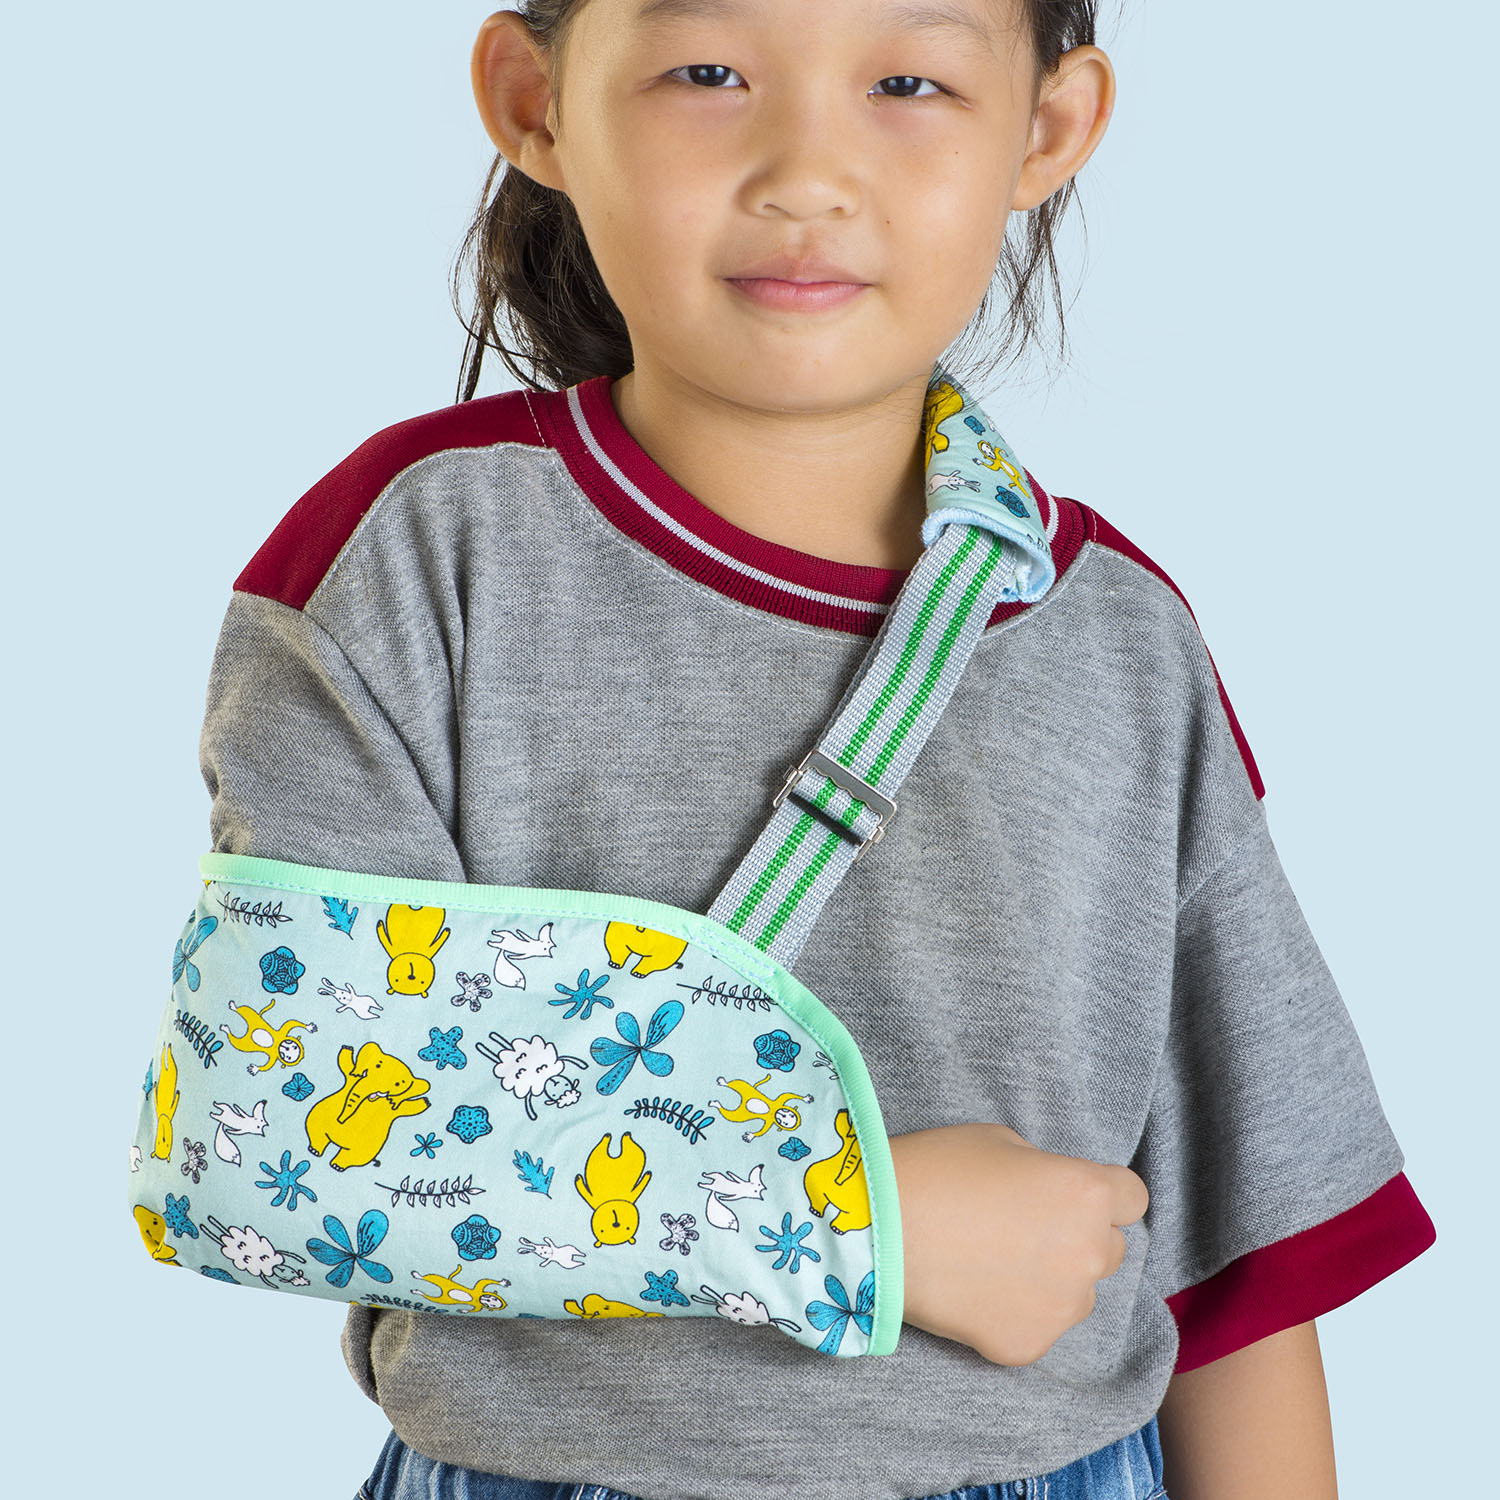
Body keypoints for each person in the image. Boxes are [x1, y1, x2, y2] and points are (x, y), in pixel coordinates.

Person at [184, 3, 1436, 1498]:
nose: (807, 172)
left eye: (908, 80)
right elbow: (275, 1147)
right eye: (707, 72)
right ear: (535, 102)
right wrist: (857, 1217)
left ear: (1046, 129)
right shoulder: (415, 563)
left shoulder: (1119, 642)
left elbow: (1242, 1273)